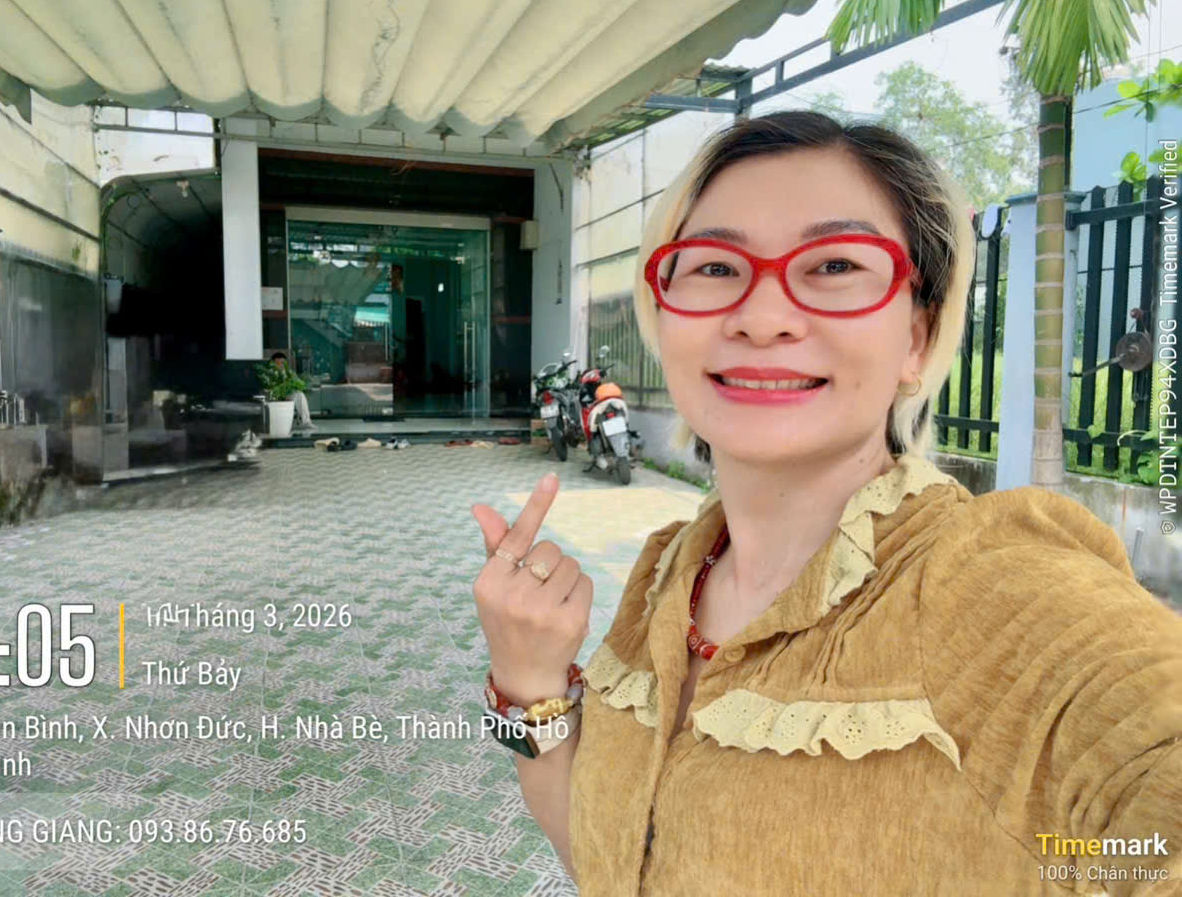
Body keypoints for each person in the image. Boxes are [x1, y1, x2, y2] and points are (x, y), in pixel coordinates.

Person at [470, 112, 1182, 895]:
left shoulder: (989, 582)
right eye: (715, 267)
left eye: (836, 264)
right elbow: (606, 863)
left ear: (917, 337)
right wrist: (527, 679)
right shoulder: (665, 573)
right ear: (664, 316)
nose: (762, 317)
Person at [269, 351, 313, 429]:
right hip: (275, 396)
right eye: (278, 363)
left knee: (299, 394)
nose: (280, 365)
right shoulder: (270, 373)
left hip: (288, 395)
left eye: (282, 363)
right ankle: (288, 422)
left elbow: (297, 382)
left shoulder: (288, 372)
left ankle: (306, 422)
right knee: (295, 395)